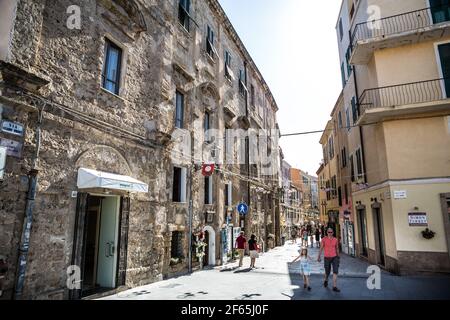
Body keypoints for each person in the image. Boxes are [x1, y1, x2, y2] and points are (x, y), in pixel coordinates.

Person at [317, 228, 340, 292]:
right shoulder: (324, 239)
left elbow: (337, 248)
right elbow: (321, 248)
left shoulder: (335, 239)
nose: (330, 233)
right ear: (327, 232)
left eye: (331, 232)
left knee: (335, 271)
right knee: (327, 272)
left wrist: (338, 257)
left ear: (333, 232)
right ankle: (326, 280)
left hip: (334, 257)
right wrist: (319, 256)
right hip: (326, 258)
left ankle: (334, 286)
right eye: (328, 232)